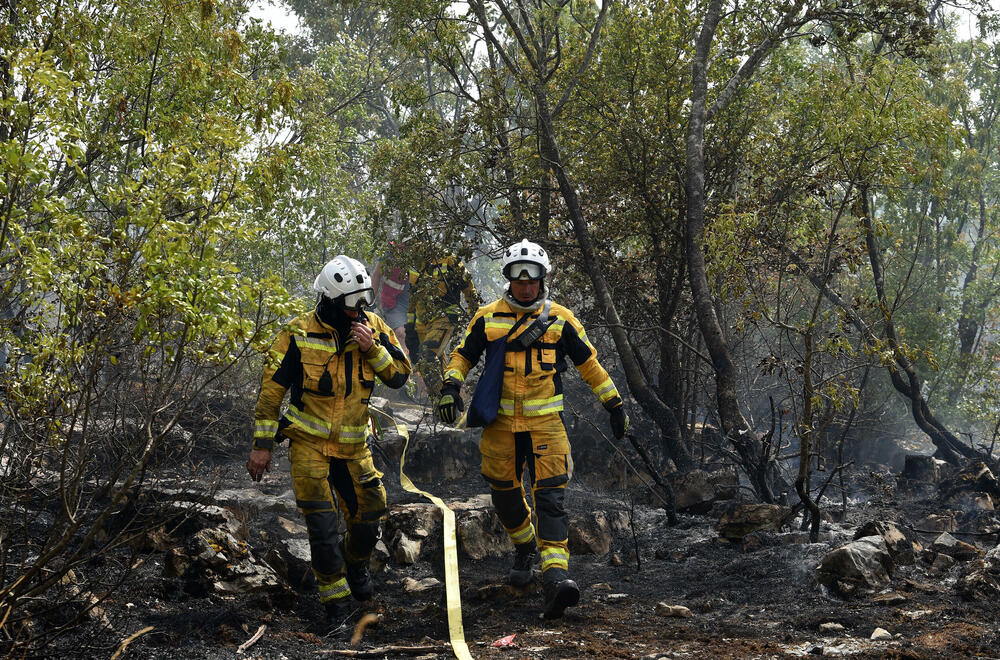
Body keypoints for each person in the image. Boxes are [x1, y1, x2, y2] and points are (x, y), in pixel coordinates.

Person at [436, 239, 628, 620]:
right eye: (518, 279)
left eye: (532, 279)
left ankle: (555, 578)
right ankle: (524, 546)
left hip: (546, 426)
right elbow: (462, 355)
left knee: (551, 500)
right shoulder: (488, 318)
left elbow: (589, 364)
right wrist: (450, 386)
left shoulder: (561, 320)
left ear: (542, 279)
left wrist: (614, 404)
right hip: (501, 427)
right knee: (505, 497)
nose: (525, 286)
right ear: (509, 279)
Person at [246, 255, 411, 632]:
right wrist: (262, 445)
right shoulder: (297, 333)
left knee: (370, 515)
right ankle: (336, 606)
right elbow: (271, 393)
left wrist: (373, 349)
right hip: (309, 445)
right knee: (321, 527)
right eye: (352, 305)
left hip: (354, 448)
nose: (359, 311)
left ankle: (355, 563)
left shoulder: (373, 327)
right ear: (331, 300)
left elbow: (401, 375)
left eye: (364, 302)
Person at [404, 246, 478, 398]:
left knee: (426, 358)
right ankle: (449, 404)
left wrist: (476, 316)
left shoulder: (448, 259)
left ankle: (442, 401)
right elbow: (413, 297)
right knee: (430, 366)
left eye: (413, 242)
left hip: (445, 317)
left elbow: (468, 286)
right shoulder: (413, 263)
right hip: (423, 324)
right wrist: (410, 327)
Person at [370, 240, 410, 354]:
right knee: (400, 333)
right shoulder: (390, 251)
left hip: (416, 304)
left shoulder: (423, 251)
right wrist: (370, 301)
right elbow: (376, 275)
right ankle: (405, 364)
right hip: (393, 301)